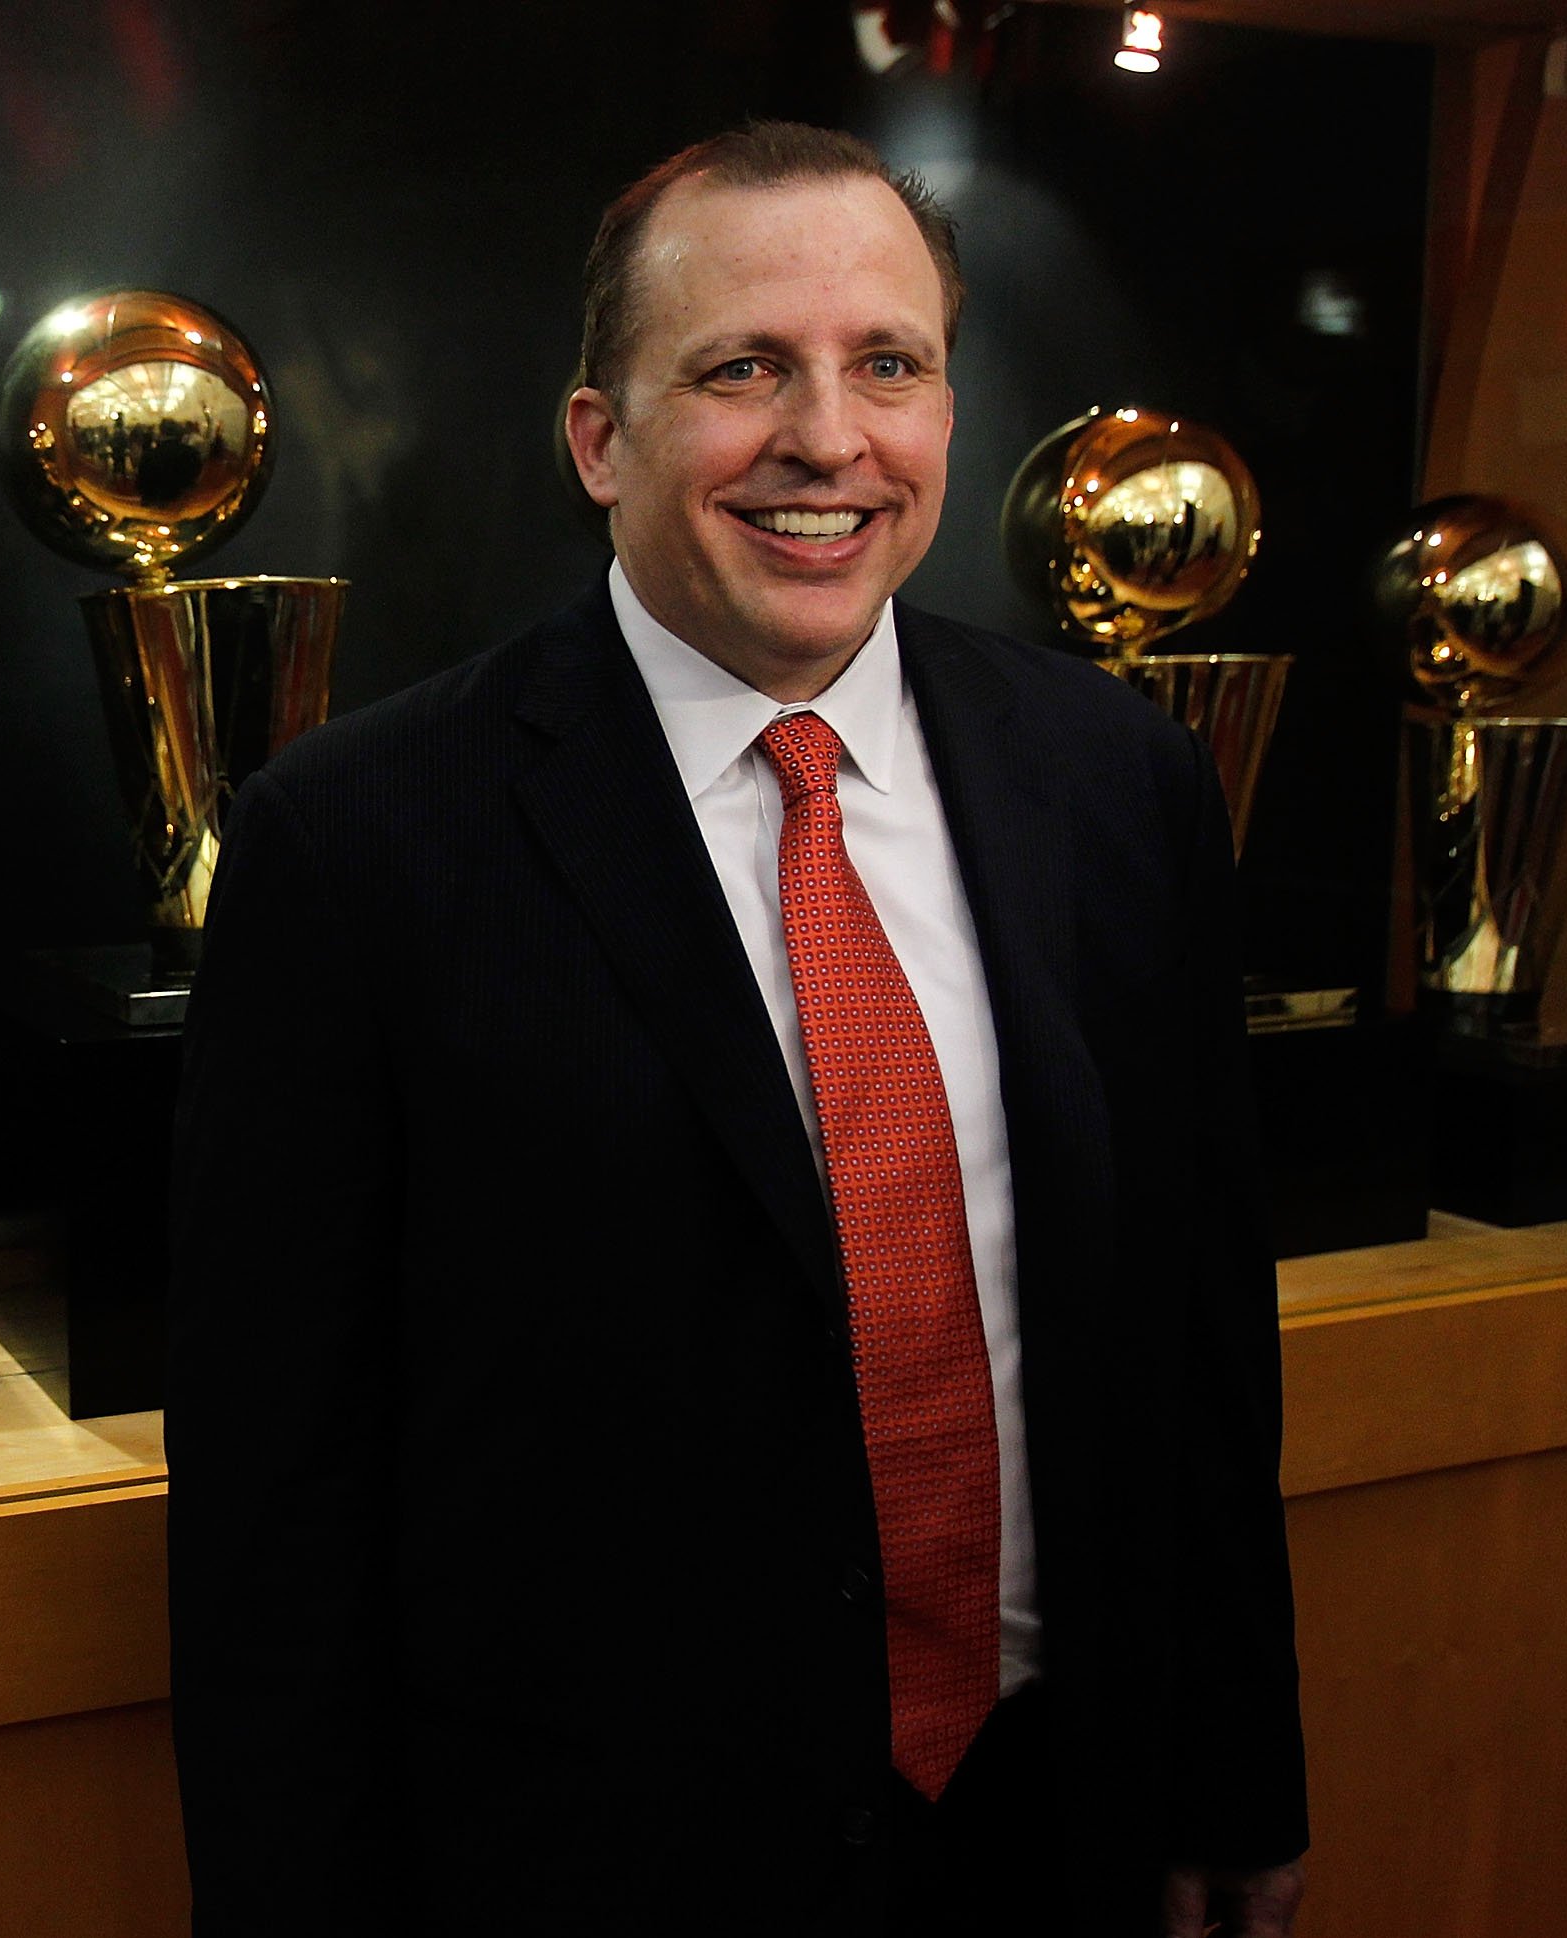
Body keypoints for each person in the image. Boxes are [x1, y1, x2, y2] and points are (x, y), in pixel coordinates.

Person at [165, 122, 1307, 1936]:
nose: (828, 440)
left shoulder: (1119, 785)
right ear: (599, 438)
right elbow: (269, 1495)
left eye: (890, 367)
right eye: (743, 368)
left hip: (1051, 1823)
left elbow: (1198, 1339)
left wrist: (1234, 1772)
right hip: (592, 1870)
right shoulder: (355, 842)